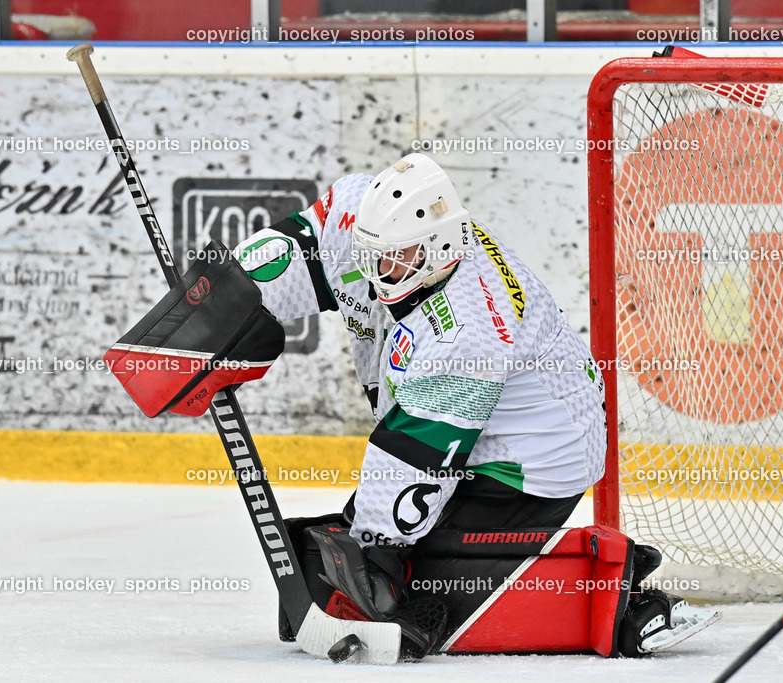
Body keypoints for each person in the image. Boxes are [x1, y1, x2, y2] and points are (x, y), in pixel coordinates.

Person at [233, 153, 607, 621]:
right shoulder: (375, 219)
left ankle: (615, 605)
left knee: (421, 590)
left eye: (393, 258)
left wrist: (370, 550)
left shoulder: (467, 331)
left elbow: (414, 460)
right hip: (489, 427)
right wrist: (220, 303)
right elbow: (300, 248)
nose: (376, 269)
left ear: (439, 247)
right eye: (372, 253)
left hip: (530, 469)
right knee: (344, 563)